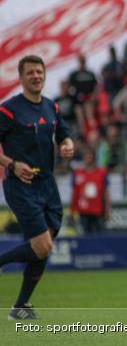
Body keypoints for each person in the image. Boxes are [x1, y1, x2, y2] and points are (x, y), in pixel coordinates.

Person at [0, 55, 76, 320]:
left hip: (47, 184)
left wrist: (67, 144)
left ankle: (20, 307)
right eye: (30, 72)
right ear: (21, 78)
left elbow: (63, 134)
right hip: (21, 185)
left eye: (39, 72)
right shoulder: (8, 110)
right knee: (43, 247)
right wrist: (11, 165)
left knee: (43, 246)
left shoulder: (51, 107)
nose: (36, 76)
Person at [71, 147, 109, 234]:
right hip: (83, 211)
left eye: (90, 155)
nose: (88, 158)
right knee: (84, 237)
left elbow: (106, 192)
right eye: (86, 156)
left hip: (98, 211)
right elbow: (74, 194)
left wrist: (107, 209)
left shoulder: (101, 172)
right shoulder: (77, 173)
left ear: (94, 158)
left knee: (99, 237)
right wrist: (73, 211)